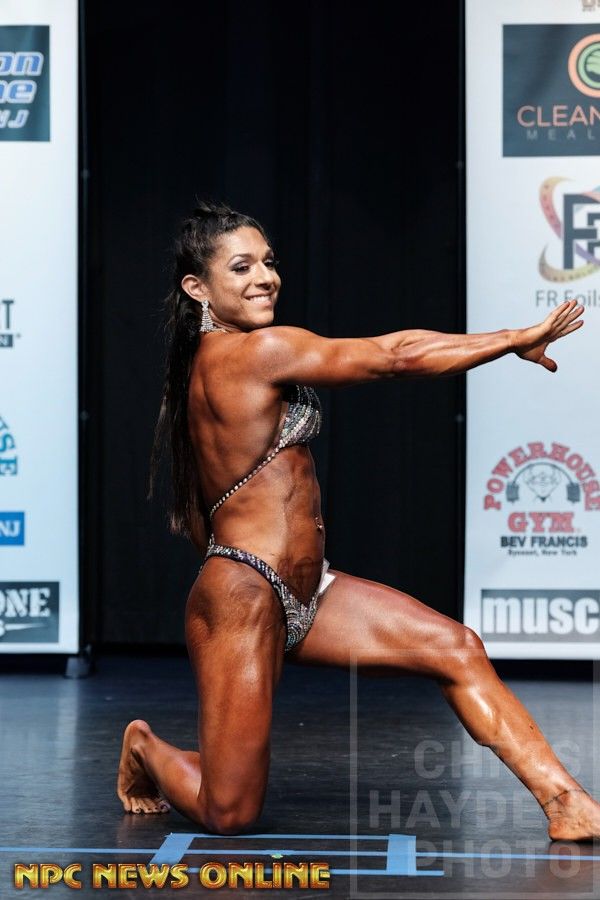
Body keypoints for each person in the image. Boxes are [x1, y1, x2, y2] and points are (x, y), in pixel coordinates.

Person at [117, 200, 599, 841]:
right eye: (241, 267)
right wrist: (511, 340)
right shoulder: (256, 352)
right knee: (228, 811)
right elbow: (395, 355)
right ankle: (146, 747)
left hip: (310, 591)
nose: (264, 277)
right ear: (197, 288)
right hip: (245, 595)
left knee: (455, 648)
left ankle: (568, 802)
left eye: (268, 262)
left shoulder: (226, 358)